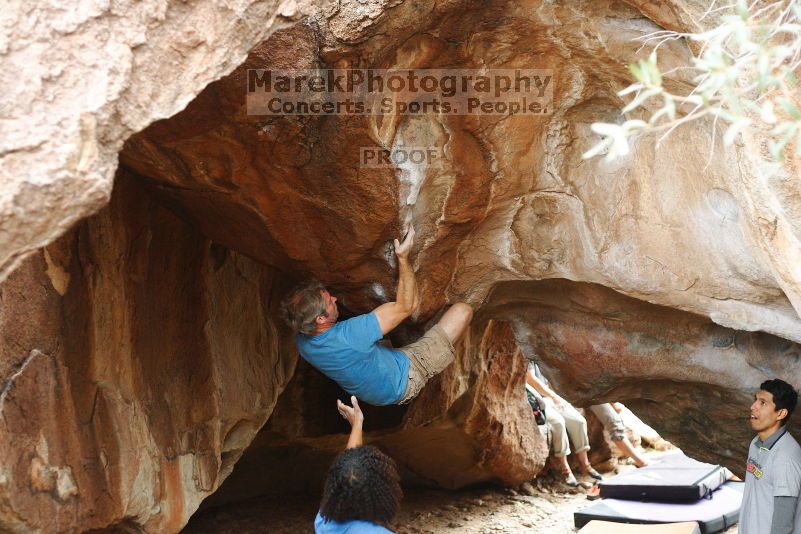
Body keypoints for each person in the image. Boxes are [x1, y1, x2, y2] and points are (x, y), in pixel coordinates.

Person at [281, 226, 473, 405]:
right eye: (329, 302)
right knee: (463, 310)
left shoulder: (302, 341)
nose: (335, 299)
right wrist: (404, 257)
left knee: (379, 342)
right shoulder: (351, 336)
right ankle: (439, 360)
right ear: (320, 319)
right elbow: (408, 306)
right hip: (404, 379)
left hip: (373, 393)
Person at [315, 396, 402, 533]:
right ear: (382, 493)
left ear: (333, 489)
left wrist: (357, 423)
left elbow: (350, 468)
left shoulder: (323, 522)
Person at [525, 362, 603, 486]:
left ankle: (585, 465)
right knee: (558, 423)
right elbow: (530, 378)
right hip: (537, 399)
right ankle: (565, 469)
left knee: (579, 421)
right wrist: (553, 396)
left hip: (551, 395)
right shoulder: (528, 355)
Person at [740, 378, 801, 534]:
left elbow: (783, 525)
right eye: (755, 400)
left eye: (763, 403)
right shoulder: (755, 443)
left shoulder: (785, 458)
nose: (753, 407)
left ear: (780, 413)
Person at [589, 403, 649, 468]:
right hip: (592, 398)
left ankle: (638, 459)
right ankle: (640, 462)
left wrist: (612, 402)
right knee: (615, 425)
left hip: (599, 397)